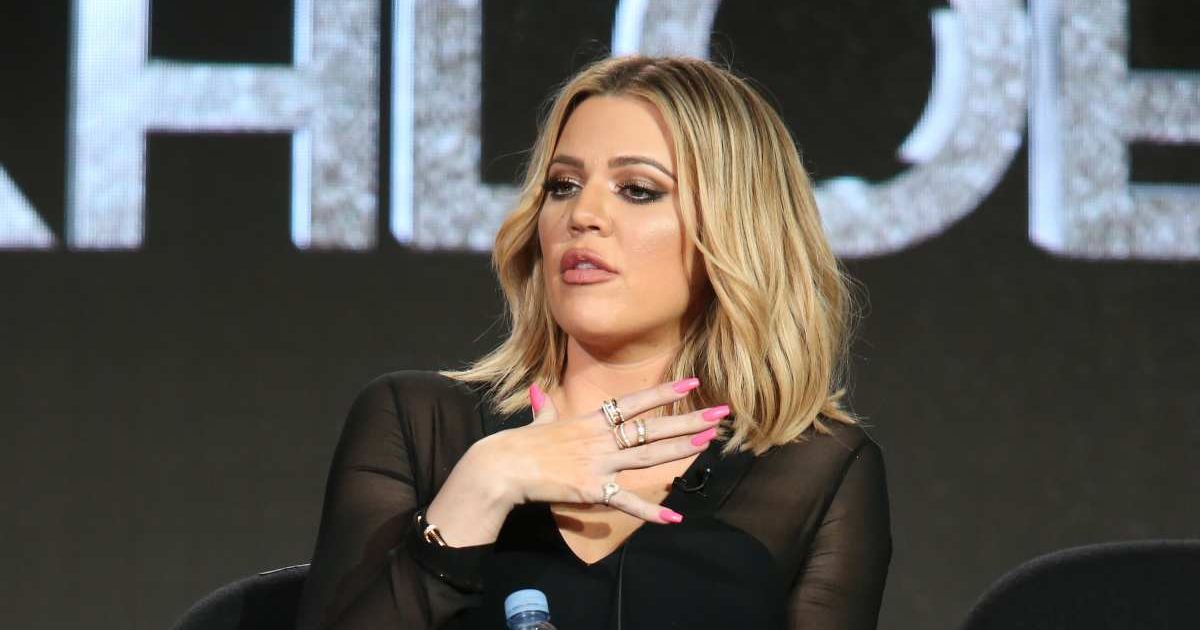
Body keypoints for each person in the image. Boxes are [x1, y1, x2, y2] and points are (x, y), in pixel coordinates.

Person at [296, 55, 891, 629]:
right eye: (563, 185)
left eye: (638, 189)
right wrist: (483, 483)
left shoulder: (817, 470)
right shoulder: (419, 425)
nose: (583, 214)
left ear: (736, 228)